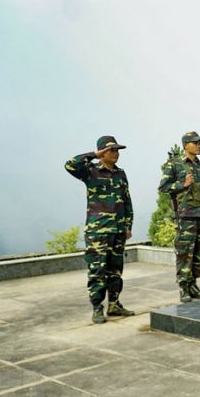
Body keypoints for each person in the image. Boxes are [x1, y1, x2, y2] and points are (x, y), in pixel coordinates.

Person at [65, 136, 135, 324]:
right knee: (97, 270)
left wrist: (128, 226)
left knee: (115, 271)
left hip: (118, 231)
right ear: (102, 152)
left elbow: (127, 202)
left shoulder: (121, 174)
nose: (116, 153)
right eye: (112, 150)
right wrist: (94, 155)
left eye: (117, 150)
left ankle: (114, 304)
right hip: (98, 231)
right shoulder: (90, 171)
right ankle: (97, 307)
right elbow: (70, 165)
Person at [158, 131, 200, 303]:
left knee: (197, 253)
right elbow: (163, 187)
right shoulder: (174, 165)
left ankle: (193, 284)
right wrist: (183, 184)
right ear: (185, 145)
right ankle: (183, 287)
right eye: (195, 143)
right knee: (184, 253)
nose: (198, 145)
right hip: (185, 215)